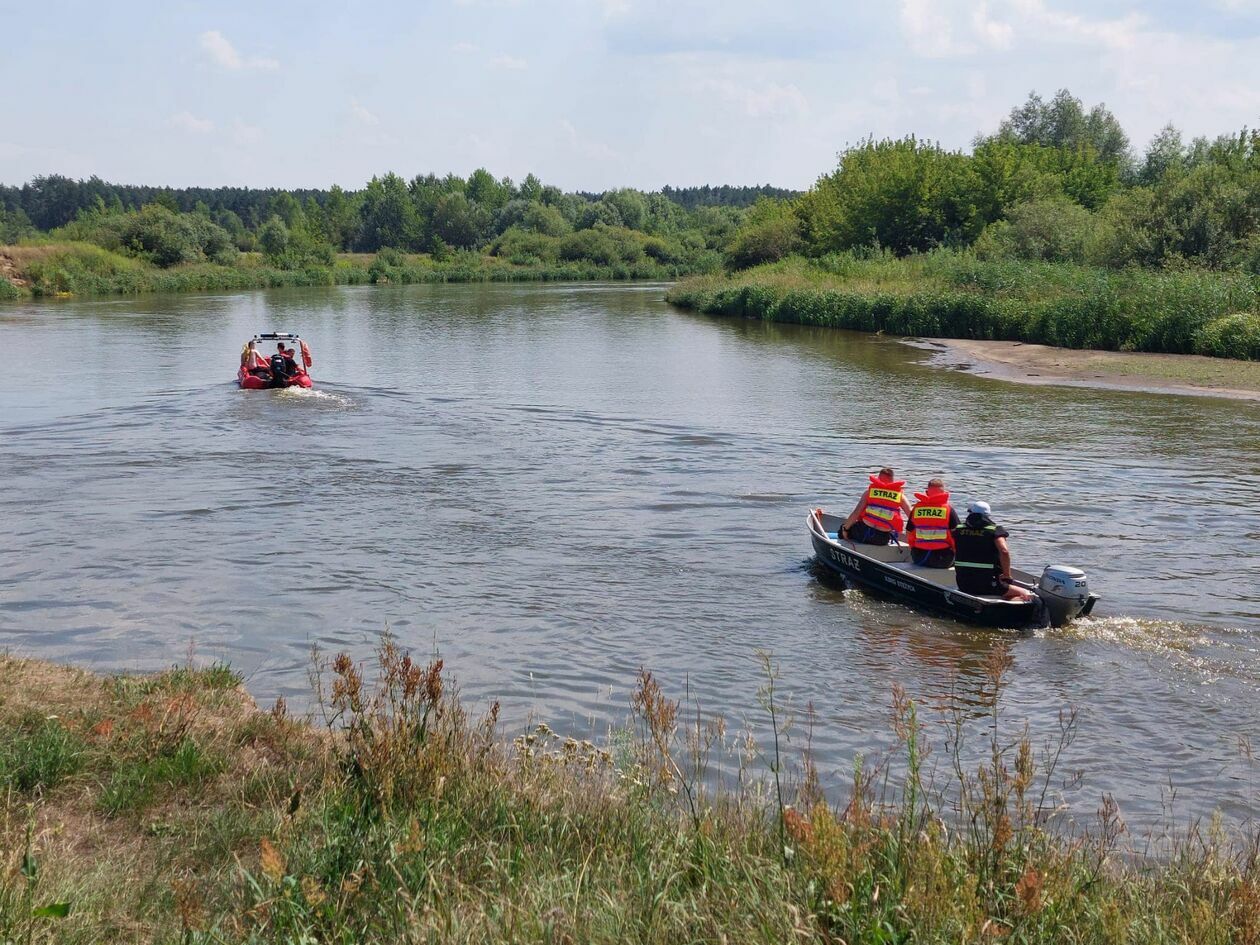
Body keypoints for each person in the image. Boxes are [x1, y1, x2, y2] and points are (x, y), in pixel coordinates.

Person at [952, 501, 1033, 601]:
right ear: (988, 516)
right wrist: (1007, 575)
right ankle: (1011, 611)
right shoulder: (994, 530)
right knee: (1026, 595)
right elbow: (1004, 551)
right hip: (988, 584)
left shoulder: (958, 530)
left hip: (963, 584)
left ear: (970, 514)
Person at [841, 467, 913, 545]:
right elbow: (912, 516)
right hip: (881, 539)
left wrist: (845, 529)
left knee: (844, 527)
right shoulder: (900, 496)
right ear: (892, 480)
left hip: (864, 533)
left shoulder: (869, 493)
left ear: (878, 478)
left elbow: (856, 513)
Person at [907, 478, 958, 568]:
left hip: (919, 557)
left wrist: (913, 548)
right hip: (942, 559)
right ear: (944, 494)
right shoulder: (948, 510)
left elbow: (909, 532)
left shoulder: (917, 509)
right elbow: (957, 536)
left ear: (927, 492)